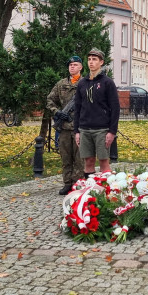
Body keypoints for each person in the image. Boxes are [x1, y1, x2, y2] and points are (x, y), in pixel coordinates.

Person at [73, 48, 120, 175]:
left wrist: (112, 131)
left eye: (94, 59)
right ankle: (89, 186)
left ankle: (105, 186)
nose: (91, 62)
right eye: (89, 59)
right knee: (88, 161)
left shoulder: (107, 82)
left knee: (104, 161)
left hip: (101, 129)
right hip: (84, 129)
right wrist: (77, 131)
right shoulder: (82, 83)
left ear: (101, 62)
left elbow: (115, 108)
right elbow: (77, 108)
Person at [47, 55, 85, 196]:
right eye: (70, 65)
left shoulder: (85, 83)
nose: (72, 67)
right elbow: (50, 100)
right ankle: (67, 183)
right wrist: (57, 112)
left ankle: (78, 183)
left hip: (80, 127)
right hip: (64, 127)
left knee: (80, 158)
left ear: (81, 67)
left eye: (75, 65)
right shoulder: (61, 84)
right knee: (65, 157)